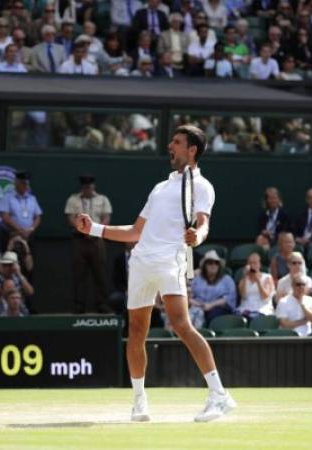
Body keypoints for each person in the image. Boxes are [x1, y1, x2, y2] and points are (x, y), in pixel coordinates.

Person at [74, 124, 236, 422]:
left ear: (192, 150)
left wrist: (197, 238)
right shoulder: (160, 188)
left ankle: (219, 394)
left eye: (176, 142)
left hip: (170, 261)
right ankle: (139, 401)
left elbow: (203, 224)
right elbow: (136, 231)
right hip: (140, 263)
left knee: (181, 324)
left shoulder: (203, 186)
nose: (170, 146)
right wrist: (94, 229)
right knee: (136, 330)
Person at [65, 174, 113, 314]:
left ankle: (102, 304)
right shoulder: (73, 200)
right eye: (85, 187)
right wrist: (83, 230)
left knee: (100, 273)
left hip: (96, 240)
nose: (87, 189)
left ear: (93, 186)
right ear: (82, 187)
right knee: (79, 274)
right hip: (79, 240)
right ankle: (79, 306)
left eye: (89, 187)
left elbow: (106, 217)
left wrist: (95, 231)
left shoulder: (102, 199)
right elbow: (71, 218)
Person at [0, 170, 43, 249]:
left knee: (30, 258)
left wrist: (31, 229)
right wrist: (20, 230)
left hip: (29, 235)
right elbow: (5, 217)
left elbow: (38, 217)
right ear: (16, 183)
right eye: (23, 183)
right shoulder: (7, 198)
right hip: (12, 234)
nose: (26, 186)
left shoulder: (32, 199)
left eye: (27, 184)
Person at [191, 250, 236, 324]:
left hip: (218, 308)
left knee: (213, 315)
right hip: (198, 307)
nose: (213, 265)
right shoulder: (197, 279)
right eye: (210, 263)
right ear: (205, 266)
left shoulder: (227, 279)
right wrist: (199, 305)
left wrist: (211, 305)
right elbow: (189, 296)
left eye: (216, 263)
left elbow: (228, 298)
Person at [236, 252, 275, 318]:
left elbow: (265, 296)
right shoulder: (243, 280)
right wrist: (245, 277)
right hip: (246, 308)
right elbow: (243, 296)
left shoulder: (267, 278)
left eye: (255, 263)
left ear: (259, 264)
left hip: (262, 308)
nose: (252, 265)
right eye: (250, 263)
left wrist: (258, 281)